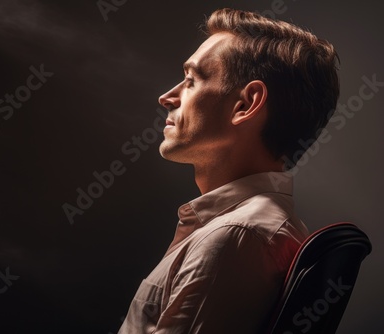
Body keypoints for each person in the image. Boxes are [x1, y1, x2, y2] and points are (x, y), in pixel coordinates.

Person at [118, 7, 340, 334]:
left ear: (246, 105)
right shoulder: (249, 230)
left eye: (192, 80)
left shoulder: (236, 237)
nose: (167, 97)